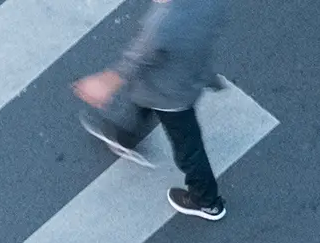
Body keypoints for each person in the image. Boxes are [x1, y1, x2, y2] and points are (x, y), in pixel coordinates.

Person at [73, 0, 229, 221]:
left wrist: (104, 83)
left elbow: (137, 59)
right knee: (143, 102)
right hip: (187, 75)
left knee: (188, 149)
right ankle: (126, 137)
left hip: (169, 93)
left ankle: (207, 201)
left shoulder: (163, 24)